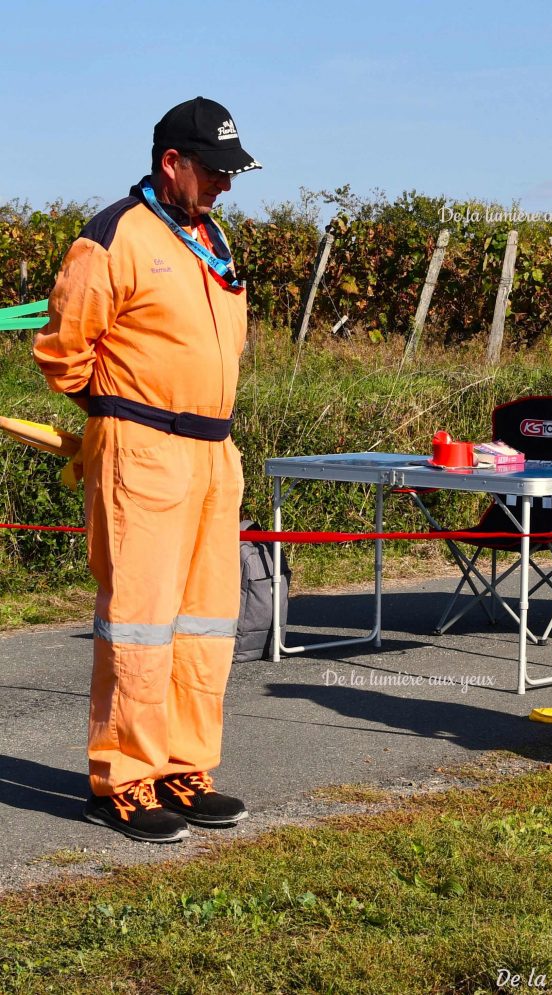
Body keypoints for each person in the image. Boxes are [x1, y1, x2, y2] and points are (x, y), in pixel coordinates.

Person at [33, 97, 262, 843]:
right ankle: (124, 779)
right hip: (143, 451)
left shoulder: (212, 235)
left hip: (213, 453)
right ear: (172, 163)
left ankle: (182, 766)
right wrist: (115, 414)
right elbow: (63, 352)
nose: (224, 186)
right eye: (213, 171)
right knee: (138, 624)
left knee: (204, 625)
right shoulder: (114, 236)